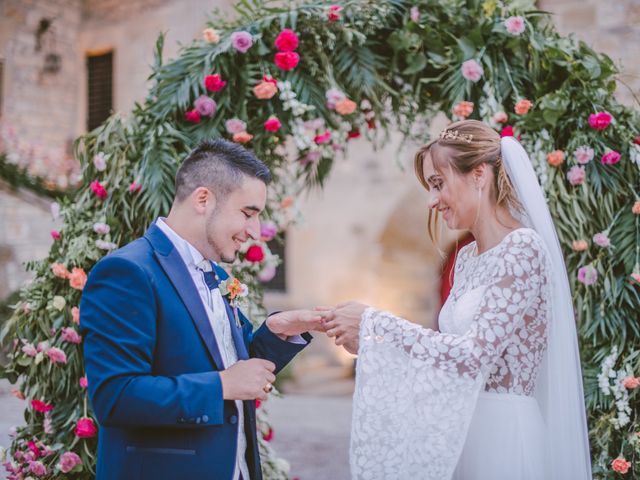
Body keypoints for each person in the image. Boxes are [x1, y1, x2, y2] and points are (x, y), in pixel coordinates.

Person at [323, 120, 592, 479]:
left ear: (479, 175)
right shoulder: (466, 258)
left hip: (502, 434)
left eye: (438, 184)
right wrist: (374, 342)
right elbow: (448, 352)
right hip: (460, 429)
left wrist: (377, 325)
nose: (433, 201)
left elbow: (473, 357)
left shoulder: (523, 248)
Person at [80, 139, 325, 480]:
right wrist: (220, 386)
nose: (256, 231)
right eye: (248, 213)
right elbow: (115, 397)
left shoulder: (218, 274)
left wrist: (276, 334)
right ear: (203, 199)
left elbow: (223, 365)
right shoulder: (128, 272)